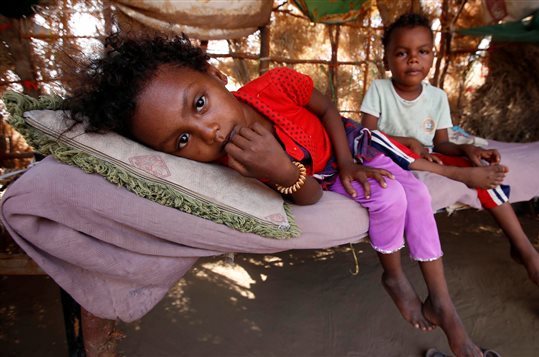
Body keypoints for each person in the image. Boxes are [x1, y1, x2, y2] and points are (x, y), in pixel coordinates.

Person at [65, 34, 484, 356]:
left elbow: (328, 111)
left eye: (199, 103)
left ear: (215, 77)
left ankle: (443, 301)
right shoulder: (230, 165)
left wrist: (350, 162)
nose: (207, 131)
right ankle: (393, 275)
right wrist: (281, 171)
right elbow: (310, 197)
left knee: (417, 191)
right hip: (320, 175)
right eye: (181, 141)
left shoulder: (276, 85)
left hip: (348, 145)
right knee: (391, 196)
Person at [361, 13, 539, 292]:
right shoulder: (379, 90)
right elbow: (365, 137)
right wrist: (404, 141)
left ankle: (522, 247)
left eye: (422, 51)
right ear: (386, 60)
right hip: (391, 159)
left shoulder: (438, 97)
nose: (413, 59)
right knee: (443, 167)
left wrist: (466, 148)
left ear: (433, 55)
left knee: (477, 170)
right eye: (402, 53)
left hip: (429, 157)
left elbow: (442, 144)